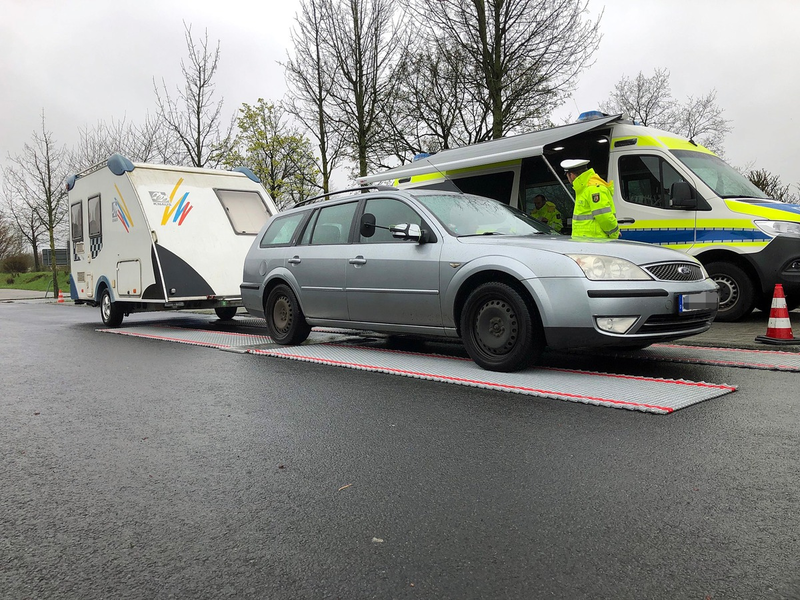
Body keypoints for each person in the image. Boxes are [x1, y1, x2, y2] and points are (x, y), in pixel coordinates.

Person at [560, 159, 619, 239]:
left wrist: (614, 234)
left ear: (572, 175)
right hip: (588, 241)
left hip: (595, 242)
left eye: (567, 175)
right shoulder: (583, 188)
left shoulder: (593, 188)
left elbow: (605, 217)